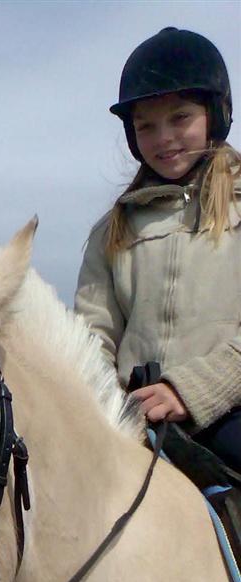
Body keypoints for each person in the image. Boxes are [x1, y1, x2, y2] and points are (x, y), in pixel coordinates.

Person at [74, 26, 240, 472]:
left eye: (180, 117)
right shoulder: (112, 230)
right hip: (131, 418)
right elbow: (93, 336)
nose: (162, 137)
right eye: (145, 125)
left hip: (227, 412)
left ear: (215, 113)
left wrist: (186, 391)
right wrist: (105, 400)